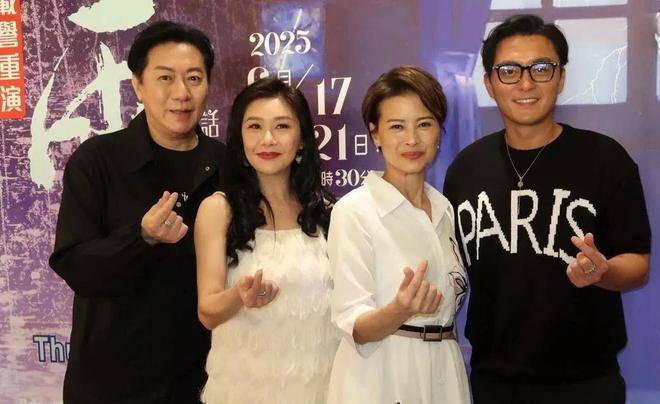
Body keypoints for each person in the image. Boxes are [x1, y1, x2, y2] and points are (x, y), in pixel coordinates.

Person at [443, 14, 651, 404]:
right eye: (509, 71)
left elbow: (638, 264)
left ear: (561, 77)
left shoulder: (606, 159)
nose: (526, 83)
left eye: (541, 68)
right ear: (488, 83)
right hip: (493, 383)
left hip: (587, 383)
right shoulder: (465, 169)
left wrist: (603, 272)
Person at [49, 21, 225, 403]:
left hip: (204, 380)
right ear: (138, 85)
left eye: (194, 78)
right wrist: (141, 237)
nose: (181, 93)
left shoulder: (226, 165)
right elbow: (74, 264)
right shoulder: (98, 161)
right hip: (113, 383)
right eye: (165, 78)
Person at [326, 66, 470, 404]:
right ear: (375, 134)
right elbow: (354, 325)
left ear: (439, 132)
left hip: (445, 369)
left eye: (424, 124)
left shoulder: (445, 209)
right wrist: (400, 309)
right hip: (381, 376)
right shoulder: (354, 211)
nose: (412, 139)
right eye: (396, 126)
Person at [195, 77, 340, 403]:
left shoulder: (327, 212)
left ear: (302, 140)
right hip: (245, 387)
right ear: (240, 139)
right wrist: (239, 296)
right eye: (255, 127)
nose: (268, 139)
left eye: (282, 126)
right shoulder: (219, 210)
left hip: (320, 384)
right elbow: (208, 311)